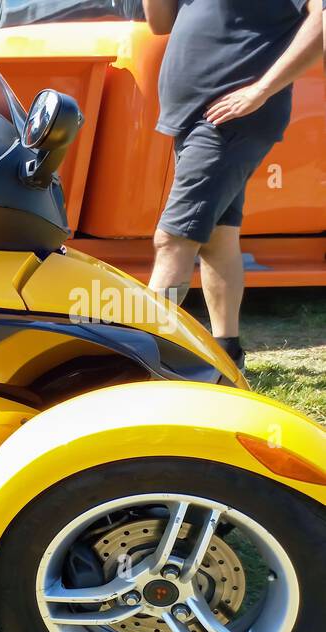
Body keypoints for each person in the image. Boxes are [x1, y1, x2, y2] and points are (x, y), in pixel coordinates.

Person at [144, 0, 321, 370]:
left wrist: (260, 91)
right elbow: (160, 23)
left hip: (232, 119)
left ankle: (144, 362)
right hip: (193, 116)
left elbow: (322, 21)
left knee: (173, 240)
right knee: (216, 239)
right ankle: (228, 357)